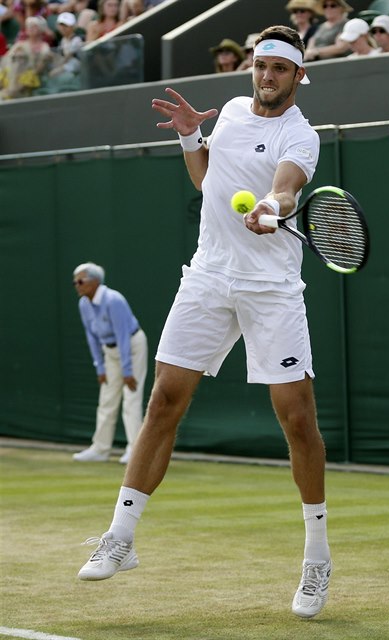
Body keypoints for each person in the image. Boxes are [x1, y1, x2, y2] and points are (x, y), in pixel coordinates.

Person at [77, 24, 332, 620]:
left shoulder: (302, 135)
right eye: (260, 64)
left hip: (271, 289)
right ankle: (121, 537)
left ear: (299, 76)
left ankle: (317, 560)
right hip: (209, 276)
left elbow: (287, 191)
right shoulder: (237, 112)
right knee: (164, 399)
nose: (266, 75)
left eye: (279, 68)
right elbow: (206, 178)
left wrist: (270, 207)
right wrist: (193, 135)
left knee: (297, 420)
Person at [72, 262, 148, 464]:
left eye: (80, 281)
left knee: (131, 398)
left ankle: (134, 449)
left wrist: (127, 370)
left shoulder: (114, 300)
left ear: (95, 281)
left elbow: (122, 336)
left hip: (132, 347)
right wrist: (100, 366)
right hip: (110, 351)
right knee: (107, 399)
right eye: (75, 282)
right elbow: (91, 337)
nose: (76, 285)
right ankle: (100, 449)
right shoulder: (83, 305)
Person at [0, 15, 52, 99]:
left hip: (31, 84)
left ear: (41, 29)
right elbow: (6, 62)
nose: (30, 28)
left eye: (34, 26)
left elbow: (40, 68)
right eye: (29, 26)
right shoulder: (19, 45)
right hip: (11, 81)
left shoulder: (44, 47)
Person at [48, 11, 83, 78]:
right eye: (61, 25)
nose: (63, 28)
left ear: (73, 26)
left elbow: (68, 57)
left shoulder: (77, 40)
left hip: (75, 66)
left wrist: (58, 68)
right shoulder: (62, 40)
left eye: (66, 25)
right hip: (66, 65)